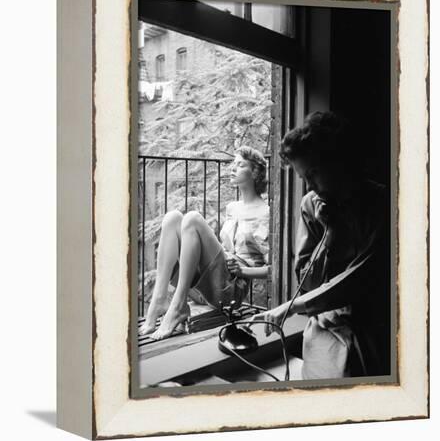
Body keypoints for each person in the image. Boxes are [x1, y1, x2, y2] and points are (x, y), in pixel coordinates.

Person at [252, 111, 390, 378]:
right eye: (304, 178)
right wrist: (330, 234)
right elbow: (307, 284)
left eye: (313, 174)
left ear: (338, 162)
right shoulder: (311, 207)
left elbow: (361, 278)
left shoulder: (382, 204)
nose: (309, 187)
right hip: (325, 326)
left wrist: (292, 307)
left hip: (373, 325)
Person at [140, 146, 270, 341]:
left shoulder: (266, 212)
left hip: (229, 291)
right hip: (206, 286)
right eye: (233, 164)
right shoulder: (232, 208)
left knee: (192, 218)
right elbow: (223, 249)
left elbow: (274, 268)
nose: (233, 168)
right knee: (172, 218)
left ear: (256, 173)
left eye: (240, 165)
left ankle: (177, 305)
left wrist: (244, 271)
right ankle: (159, 299)